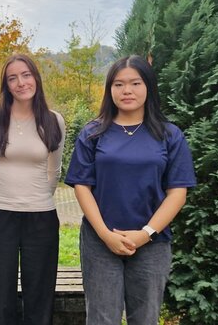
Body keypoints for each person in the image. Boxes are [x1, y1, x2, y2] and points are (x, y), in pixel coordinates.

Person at [65, 55, 196, 325]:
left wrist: (145, 234)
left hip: (152, 243)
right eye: (118, 84)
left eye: (135, 83)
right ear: (109, 90)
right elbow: (82, 186)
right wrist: (104, 234)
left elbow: (177, 193)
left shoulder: (170, 135)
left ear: (148, 86)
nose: (127, 91)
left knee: (145, 318)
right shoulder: (92, 133)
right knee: (101, 318)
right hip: (100, 241)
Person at [0, 54, 65, 325]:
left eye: (26, 75)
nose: (20, 82)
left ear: (36, 77)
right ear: (6, 84)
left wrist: (39, 198)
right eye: (12, 78)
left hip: (42, 218)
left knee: (40, 296)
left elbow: (54, 169)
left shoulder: (53, 120)